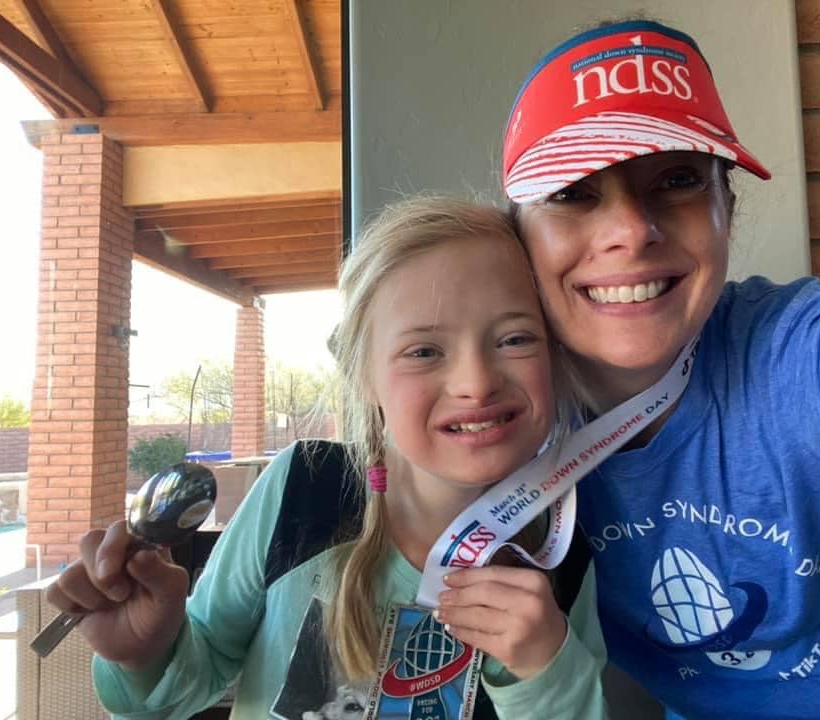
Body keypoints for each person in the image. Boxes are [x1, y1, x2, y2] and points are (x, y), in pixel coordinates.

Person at [444, 17, 820, 720]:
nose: (630, 230)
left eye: (677, 179)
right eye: (574, 192)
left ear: (726, 210)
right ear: (519, 236)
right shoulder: (498, 415)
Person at [45, 197, 609, 720]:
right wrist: (145, 657)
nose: (476, 383)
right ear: (364, 375)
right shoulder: (304, 488)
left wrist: (546, 667)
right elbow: (198, 671)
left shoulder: (565, 541)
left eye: (515, 339)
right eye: (423, 351)